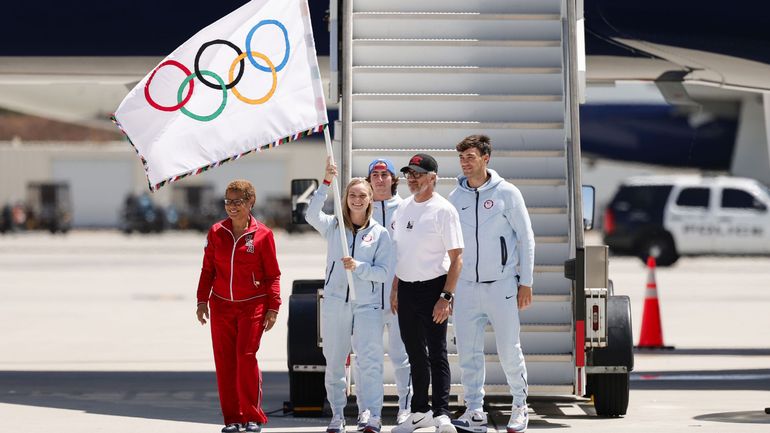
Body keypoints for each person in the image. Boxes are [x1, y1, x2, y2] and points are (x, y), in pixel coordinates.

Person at [447, 135, 535, 433]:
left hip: (502, 286)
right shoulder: (454, 198)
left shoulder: (507, 194)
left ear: (486, 158)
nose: (465, 162)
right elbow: (450, 247)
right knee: (469, 354)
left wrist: (526, 282)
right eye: (462, 157)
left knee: (509, 349)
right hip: (467, 288)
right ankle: (474, 410)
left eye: (470, 156)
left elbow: (526, 238)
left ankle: (521, 406)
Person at [305, 157, 393, 433]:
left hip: (366, 305)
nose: (357, 199)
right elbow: (310, 215)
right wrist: (326, 182)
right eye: (352, 195)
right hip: (335, 303)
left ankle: (370, 414)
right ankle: (337, 415)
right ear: (346, 198)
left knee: (369, 362)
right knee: (334, 361)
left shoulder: (379, 234)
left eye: (362, 196)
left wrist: (360, 268)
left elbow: (383, 273)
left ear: (370, 199)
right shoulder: (333, 227)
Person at [196, 180, 281, 433]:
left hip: (252, 307)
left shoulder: (263, 234)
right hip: (221, 306)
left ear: (250, 202)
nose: (231, 207)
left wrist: (273, 307)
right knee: (225, 363)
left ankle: (253, 416)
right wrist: (201, 300)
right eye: (228, 202)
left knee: (245, 358)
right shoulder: (216, 232)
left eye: (238, 202)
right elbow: (207, 270)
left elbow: (273, 275)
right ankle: (233, 418)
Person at [390, 153, 463, 433]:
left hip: (434, 288)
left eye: (418, 174)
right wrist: (396, 288)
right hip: (407, 289)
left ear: (433, 178)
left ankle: (441, 413)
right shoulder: (403, 208)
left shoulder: (444, 210)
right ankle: (419, 412)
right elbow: (402, 252)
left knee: (437, 353)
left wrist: (445, 297)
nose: (412, 178)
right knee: (414, 354)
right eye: (409, 173)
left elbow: (457, 258)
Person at [353, 158, 412, 430]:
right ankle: (366, 410)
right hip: (368, 300)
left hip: (402, 297)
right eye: (374, 175)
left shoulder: (406, 208)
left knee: (402, 357)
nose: (379, 179)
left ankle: (405, 408)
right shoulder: (360, 210)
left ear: (393, 178)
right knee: (368, 359)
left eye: (384, 174)